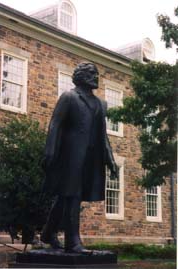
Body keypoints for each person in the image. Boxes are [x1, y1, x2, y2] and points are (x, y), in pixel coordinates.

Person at [40, 62, 118, 253]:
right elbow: (55, 125)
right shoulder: (69, 97)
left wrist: (110, 160)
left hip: (91, 158)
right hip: (70, 155)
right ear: (80, 76)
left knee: (66, 195)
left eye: (97, 73)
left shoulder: (101, 104)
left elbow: (102, 135)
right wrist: (50, 150)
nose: (96, 77)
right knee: (72, 194)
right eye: (91, 73)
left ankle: (48, 232)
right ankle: (73, 241)